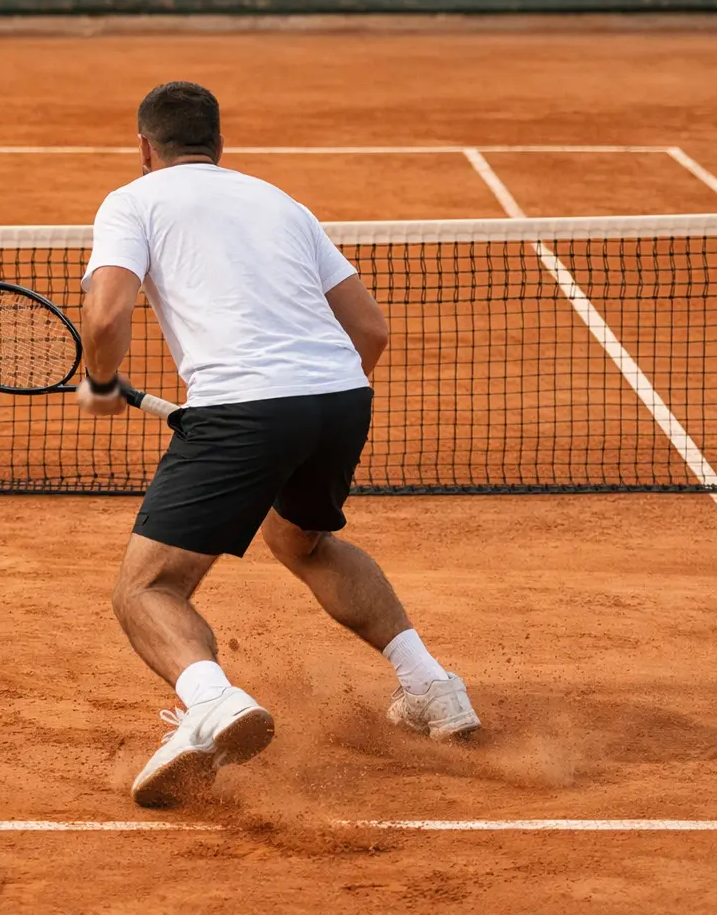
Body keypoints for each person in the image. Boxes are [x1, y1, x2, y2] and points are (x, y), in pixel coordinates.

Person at [77, 81, 480, 808]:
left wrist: (102, 385)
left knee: (147, 588)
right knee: (304, 542)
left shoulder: (132, 202)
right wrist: (301, 405)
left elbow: (105, 318)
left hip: (246, 410)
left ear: (144, 147)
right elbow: (372, 331)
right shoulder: (280, 202)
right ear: (218, 143)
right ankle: (432, 687)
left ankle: (211, 702)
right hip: (341, 398)